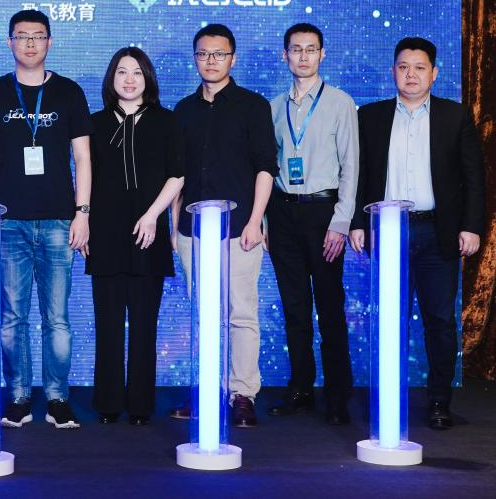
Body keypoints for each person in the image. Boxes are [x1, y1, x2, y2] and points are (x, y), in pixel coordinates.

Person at [351, 36, 486, 431]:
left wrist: (471, 226)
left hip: (437, 232)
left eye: (419, 67)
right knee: (389, 319)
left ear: (434, 73)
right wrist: (357, 223)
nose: (411, 74)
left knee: (439, 320)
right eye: (403, 67)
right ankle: (387, 399)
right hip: (388, 231)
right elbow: (359, 175)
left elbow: (473, 178)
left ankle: (440, 400)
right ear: (393, 71)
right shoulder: (370, 116)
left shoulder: (454, 116)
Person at [0, 9, 92, 430]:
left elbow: (83, 158)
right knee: (12, 319)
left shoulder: (69, 92)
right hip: (9, 223)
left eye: (37, 36)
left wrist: (82, 213)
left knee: (57, 319)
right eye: (21, 36)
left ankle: (58, 398)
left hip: (59, 221)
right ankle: (19, 397)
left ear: (49, 42)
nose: (29, 43)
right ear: (9, 42)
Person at [172, 23, 277, 428]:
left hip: (240, 231)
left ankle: (242, 394)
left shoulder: (253, 106)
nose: (210, 61)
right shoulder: (184, 110)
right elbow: (176, 174)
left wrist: (255, 221)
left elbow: (265, 168)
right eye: (203, 54)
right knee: (204, 315)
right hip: (192, 231)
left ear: (232, 59)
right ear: (195, 58)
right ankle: (207, 390)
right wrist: (174, 227)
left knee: (241, 313)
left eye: (218, 54)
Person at [265, 24, 357, 425]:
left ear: (322, 54)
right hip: (283, 212)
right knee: (294, 307)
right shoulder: (273, 107)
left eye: (311, 49)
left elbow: (352, 166)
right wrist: (265, 220)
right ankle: (300, 388)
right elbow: (266, 168)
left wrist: (341, 222)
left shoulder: (340, 102)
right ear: (284, 55)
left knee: (330, 307)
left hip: (324, 213)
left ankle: (338, 396)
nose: (303, 56)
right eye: (296, 49)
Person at [87, 47, 184, 426]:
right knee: (107, 323)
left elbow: (177, 175)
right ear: (111, 78)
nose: (129, 80)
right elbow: (85, 177)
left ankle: (141, 405)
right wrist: (84, 222)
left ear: (148, 79)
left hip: (149, 232)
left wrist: (152, 216)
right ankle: (108, 402)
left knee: (145, 324)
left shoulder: (166, 121)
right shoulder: (94, 123)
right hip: (105, 233)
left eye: (137, 73)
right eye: (122, 72)